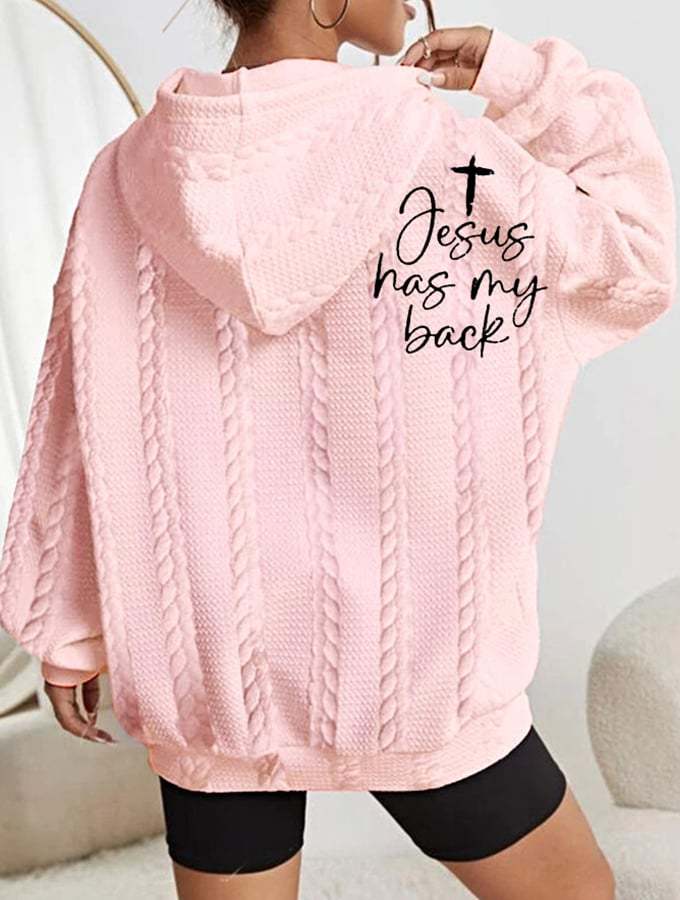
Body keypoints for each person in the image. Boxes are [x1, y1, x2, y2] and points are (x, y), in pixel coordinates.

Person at [0, 0, 675, 897]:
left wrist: (68, 630)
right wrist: (518, 76)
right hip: (424, 675)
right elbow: (638, 256)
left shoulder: (124, 175)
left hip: (216, 683)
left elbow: (75, 410)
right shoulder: (445, 160)